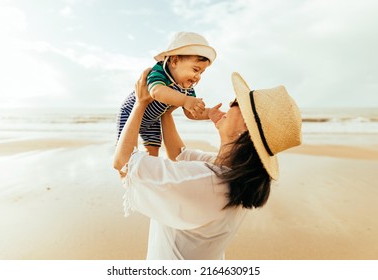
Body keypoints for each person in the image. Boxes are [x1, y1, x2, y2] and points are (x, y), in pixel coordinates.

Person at [113, 69, 302, 260]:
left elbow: (124, 163)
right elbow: (179, 154)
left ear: (246, 127)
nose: (229, 104)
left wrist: (140, 103)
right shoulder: (234, 174)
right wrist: (166, 111)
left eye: (237, 103)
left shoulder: (208, 182)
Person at [116, 31, 217, 156]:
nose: (198, 77)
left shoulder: (187, 88)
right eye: (195, 70)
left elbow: (190, 113)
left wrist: (209, 113)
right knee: (125, 152)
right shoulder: (159, 72)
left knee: (153, 150)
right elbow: (156, 91)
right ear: (174, 61)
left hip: (152, 120)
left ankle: (149, 173)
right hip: (130, 113)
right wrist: (186, 101)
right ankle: (124, 174)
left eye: (201, 73)